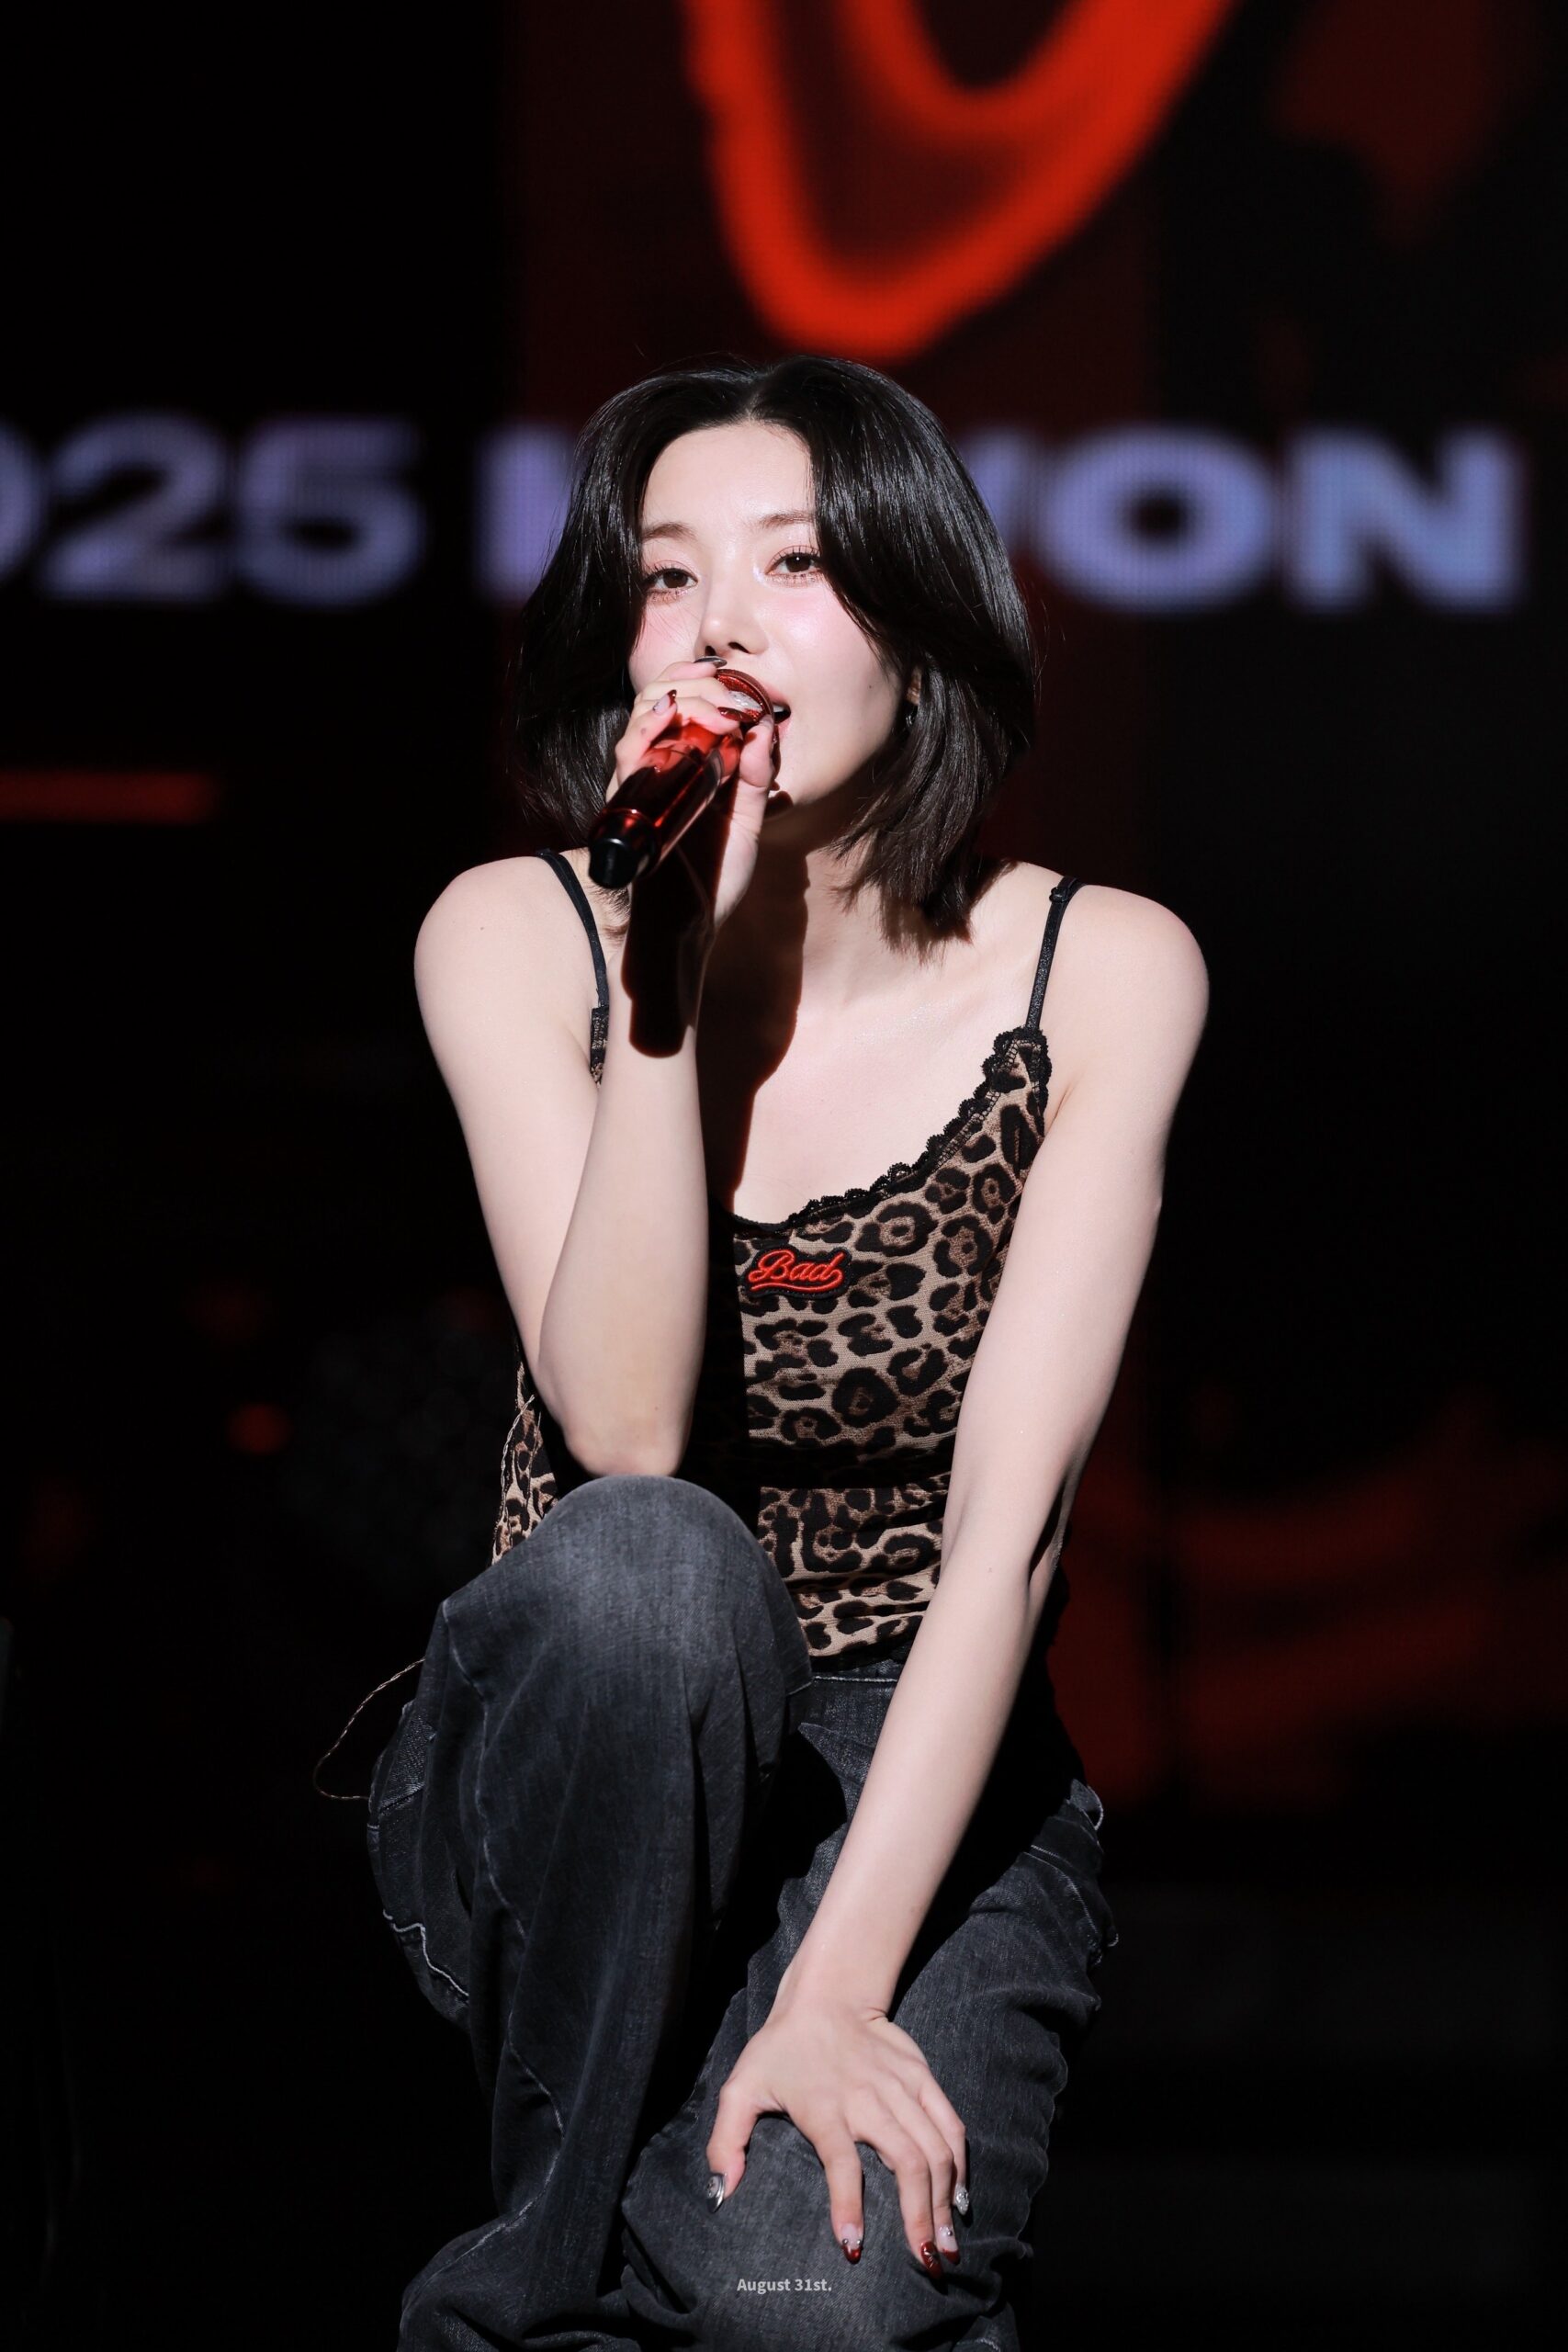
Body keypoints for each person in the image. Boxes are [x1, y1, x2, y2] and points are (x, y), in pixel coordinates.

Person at [354, 353, 1208, 2349]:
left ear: (919, 619)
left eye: (796, 564)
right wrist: (661, 987)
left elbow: (1008, 1536)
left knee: (809, 2306)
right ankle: (520, 2297)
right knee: (658, 1567)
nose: (718, 626)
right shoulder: (514, 934)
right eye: (666, 576)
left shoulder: (1099, 970)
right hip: (599, 1729)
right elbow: (626, 1425)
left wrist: (835, 1990)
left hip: (913, 1752)